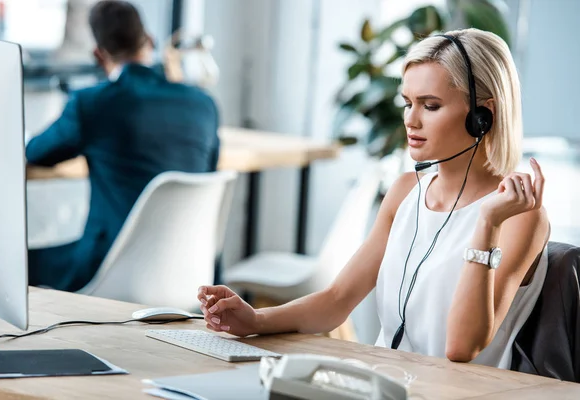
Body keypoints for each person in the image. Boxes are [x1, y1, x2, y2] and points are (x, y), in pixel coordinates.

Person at [196, 28, 550, 369]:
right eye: (408, 103)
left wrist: (487, 223)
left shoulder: (520, 217)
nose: (411, 120)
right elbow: (336, 301)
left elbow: (460, 348)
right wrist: (255, 319)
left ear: (482, 116)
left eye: (430, 105)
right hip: (385, 383)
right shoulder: (404, 193)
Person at [27, 0, 220, 292]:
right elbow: (210, 169)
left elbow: (36, 153)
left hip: (110, 268)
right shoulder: (204, 104)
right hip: (191, 272)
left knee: (14, 262)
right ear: (151, 42)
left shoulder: (92, 103)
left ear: (98, 55)